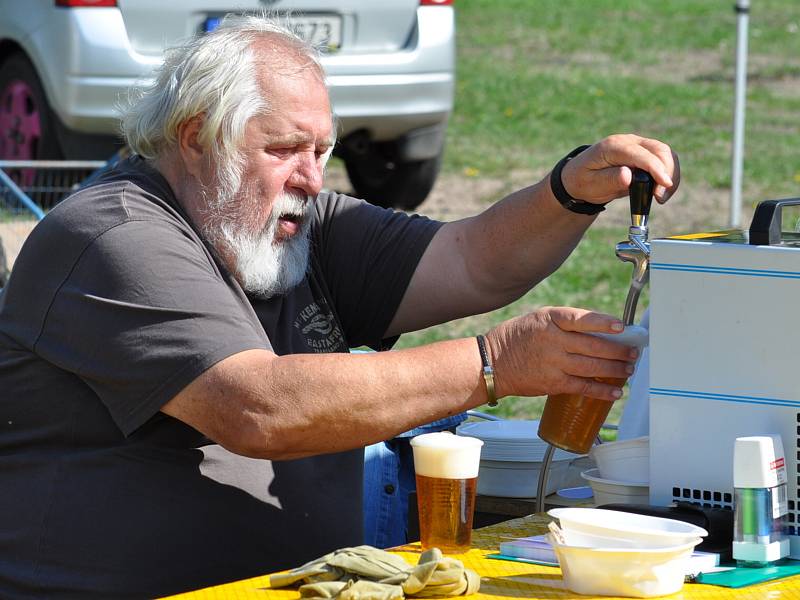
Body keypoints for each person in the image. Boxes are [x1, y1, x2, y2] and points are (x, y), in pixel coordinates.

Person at [0, 14, 679, 599]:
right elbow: (259, 408)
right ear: (195, 136)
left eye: (321, 149)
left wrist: (569, 191)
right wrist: (496, 363)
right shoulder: (115, 236)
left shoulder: (295, 221)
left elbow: (471, 261)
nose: (311, 177)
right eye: (285, 148)